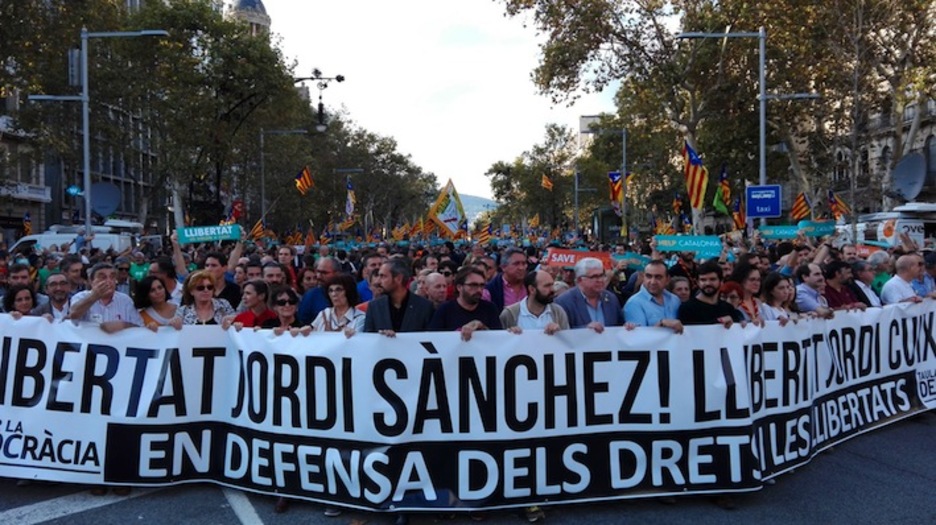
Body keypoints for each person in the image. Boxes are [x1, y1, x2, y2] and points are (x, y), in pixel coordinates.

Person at [363, 257, 434, 336]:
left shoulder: (424, 307)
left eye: (383, 276)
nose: (378, 281)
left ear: (398, 279)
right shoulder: (375, 307)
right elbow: (368, 338)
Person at [429, 267, 502, 340]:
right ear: (459, 287)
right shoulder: (445, 310)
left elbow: (498, 339)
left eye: (482, 285)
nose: (479, 290)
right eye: (473, 285)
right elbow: (433, 338)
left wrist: (482, 327)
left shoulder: (490, 308)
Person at [69, 262, 143, 333]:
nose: (108, 281)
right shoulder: (80, 297)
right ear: (91, 281)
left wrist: (123, 325)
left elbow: (139, 327)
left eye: (112, 277)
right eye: (102, 277)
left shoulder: (125, 300)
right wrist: (94, 296)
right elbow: (73, 315)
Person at [555, 257, 624, 331]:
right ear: (580, 280)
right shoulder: (564, 302)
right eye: (594, 277)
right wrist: (585, 330)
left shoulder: (611, 299)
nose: (600, 280)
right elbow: (561, 333)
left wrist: (627, 328)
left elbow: (619, 326)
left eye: (602, 275)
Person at [500, 270, 570, 335]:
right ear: (532, 289)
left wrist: (560, 334)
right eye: (547, 286)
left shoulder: (558, 312)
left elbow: (568, 343)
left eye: (552, 285)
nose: (552, 289)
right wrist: (510, 334)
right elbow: (500, 343)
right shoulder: (510, 314)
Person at [677, 261, 744, 328]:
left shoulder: (728, 308)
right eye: (703, 280)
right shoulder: (687, 308)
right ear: (697, 282)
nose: (708, 283)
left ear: (720, 281)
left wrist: (743, 325)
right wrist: (718, 322)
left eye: (712, 279)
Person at [623, 260, 683, 332]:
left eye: (658, 277)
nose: (653, 282)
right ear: (643, 277)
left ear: (667, 279)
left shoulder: (675, 300)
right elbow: (639, 337)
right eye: (649, 276)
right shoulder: (634, 303)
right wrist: (661, 323)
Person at [298, 256, 341, 325]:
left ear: (337, 273)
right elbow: (303, 322)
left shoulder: (348, 293)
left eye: (324, 273)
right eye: (318, 272)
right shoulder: (311, 295)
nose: (319, 276)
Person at [484, 247, 528, 313]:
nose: (521, 268)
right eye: (516, 264)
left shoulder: (532, 284)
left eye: (524, 263)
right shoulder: (490, 290)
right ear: (503, 267)